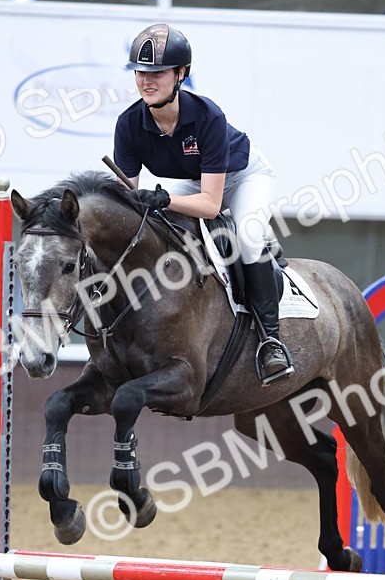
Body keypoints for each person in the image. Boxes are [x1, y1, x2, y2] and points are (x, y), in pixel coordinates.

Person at [113, 23, 293, 384]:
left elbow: (211, 206)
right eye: (140, 72)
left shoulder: (207, 116)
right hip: (193, 179)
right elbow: (125, 201)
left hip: (242, 176)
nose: (147, 81)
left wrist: (164, 198)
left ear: (181, 74)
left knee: (248, 237)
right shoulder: (129, 124)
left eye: (158, 73)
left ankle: (270, 341)